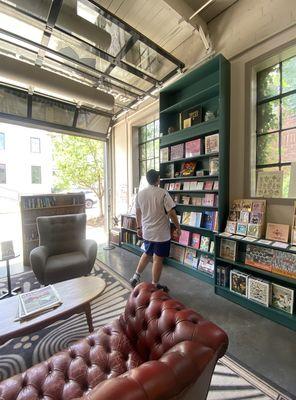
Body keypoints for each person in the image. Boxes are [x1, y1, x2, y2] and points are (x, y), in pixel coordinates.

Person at [129, 169, 181, 292]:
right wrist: (178, 227)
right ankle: (155, 285)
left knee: (147, 254)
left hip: (147, 232)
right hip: (161, 234)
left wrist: (138, 227)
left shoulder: (140, 194)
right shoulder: (163, 193)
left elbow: (138, 212)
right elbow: (172, 213)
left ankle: (135, 276)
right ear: (157, 179)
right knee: (158, 259)